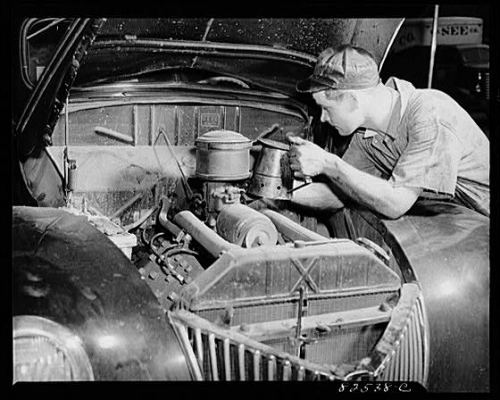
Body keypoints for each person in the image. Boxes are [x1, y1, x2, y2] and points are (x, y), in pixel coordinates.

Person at [287, 44, 489, 219]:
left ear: (353, 98)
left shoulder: (430, 114)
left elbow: (396, 203)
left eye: (327, 108)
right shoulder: (366, 137)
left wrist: (328, 163)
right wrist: (273, 190)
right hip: (461, 221)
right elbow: (339, 195)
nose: (322, 118)